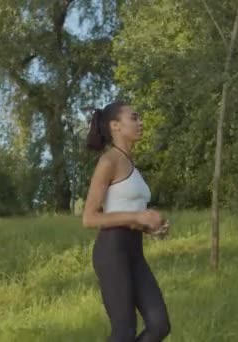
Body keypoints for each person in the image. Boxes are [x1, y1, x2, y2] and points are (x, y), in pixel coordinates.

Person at [82, 101, 171, 342]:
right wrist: (137, 216)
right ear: (115, 126)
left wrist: (151, 227)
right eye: (134, 117)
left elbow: (126, 212)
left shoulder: (132, 166)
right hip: (112, 251)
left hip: (134, 251)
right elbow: (89, 217)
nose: (140, 122)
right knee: (124, 331)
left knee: (159, 324)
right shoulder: (108, 162)